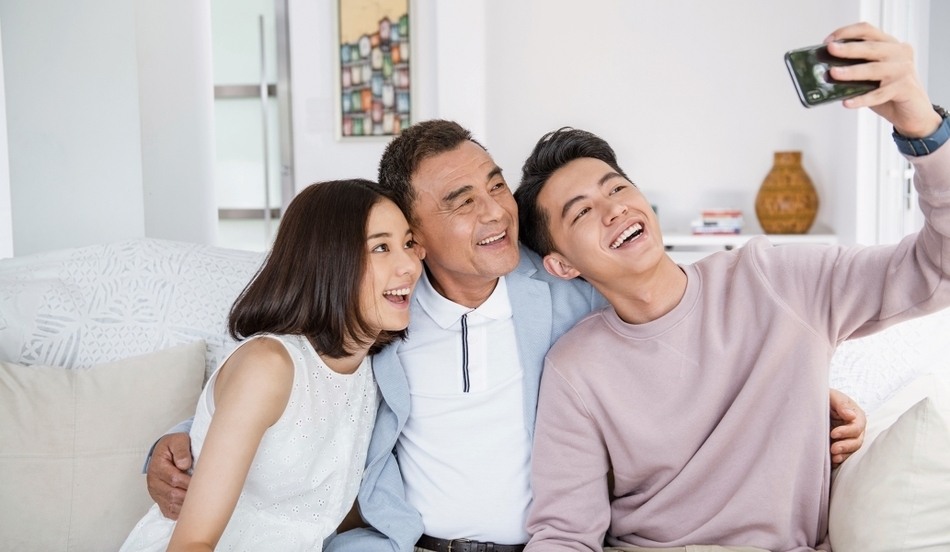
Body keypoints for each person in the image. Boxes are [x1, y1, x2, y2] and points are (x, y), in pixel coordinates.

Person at [146, 122, 867, 551]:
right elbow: (296, 370)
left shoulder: (568, 289)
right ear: (413, 231)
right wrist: (180, 437)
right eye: (462, 201)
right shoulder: (386, 304)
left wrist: (800, 390)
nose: (496, 210)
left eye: (495, 184)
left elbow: (685, 333)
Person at [513, 23, 950, 552]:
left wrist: (921, 124)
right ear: (562, 265)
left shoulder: (776, 279)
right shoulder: (575, 367)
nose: (614, 209)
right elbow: (565, 534)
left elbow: (935, 267)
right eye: (582, 211)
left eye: (618, 187)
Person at [121, 179, 422, 552]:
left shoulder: (371, 370)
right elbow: (192, 542)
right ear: (328, 261)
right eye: (381, 247)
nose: (409, 264)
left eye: (408, 243)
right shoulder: (269, 366)